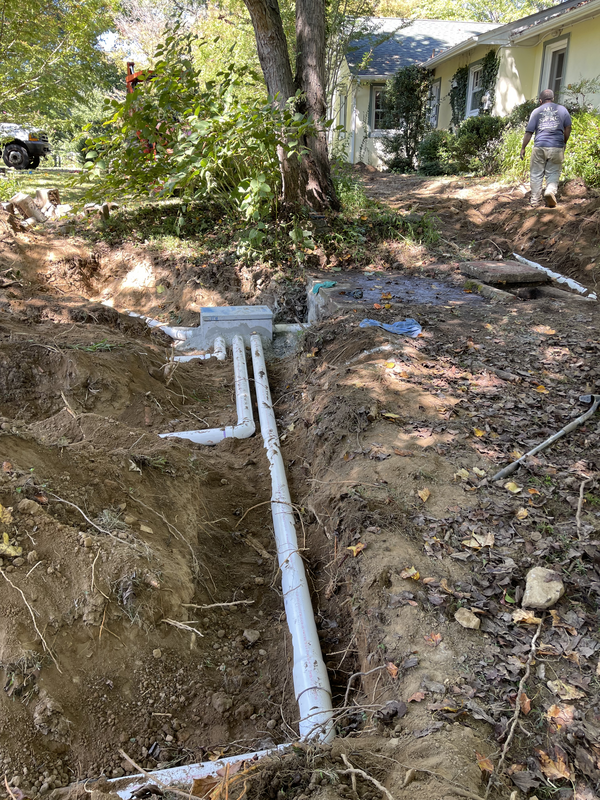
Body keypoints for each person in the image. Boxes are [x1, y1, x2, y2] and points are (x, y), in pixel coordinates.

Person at [520, 89, 571, 208]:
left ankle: (535, 201)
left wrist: (523, 148)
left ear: (540, 100)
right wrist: (564, 141)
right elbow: (568, 127)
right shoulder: (562, 109)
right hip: (556, 147)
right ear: (553, 99)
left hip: (540, 146)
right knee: (553, 172)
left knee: (536, 174)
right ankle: (550, 191)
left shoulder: (536, 111)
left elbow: (529, 132)